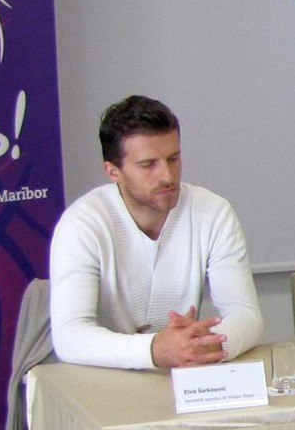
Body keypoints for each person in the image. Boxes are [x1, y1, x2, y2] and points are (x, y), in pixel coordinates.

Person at [50, 95, 264, 370]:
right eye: (148, 164)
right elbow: (69, 337)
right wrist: (153, 350)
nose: (168, 176)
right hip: (103, 377)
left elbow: (247, 316)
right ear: (113, 172)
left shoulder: (213, 211)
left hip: (185, 376)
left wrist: (205, 345)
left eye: (173, 158)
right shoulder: (82, 224)